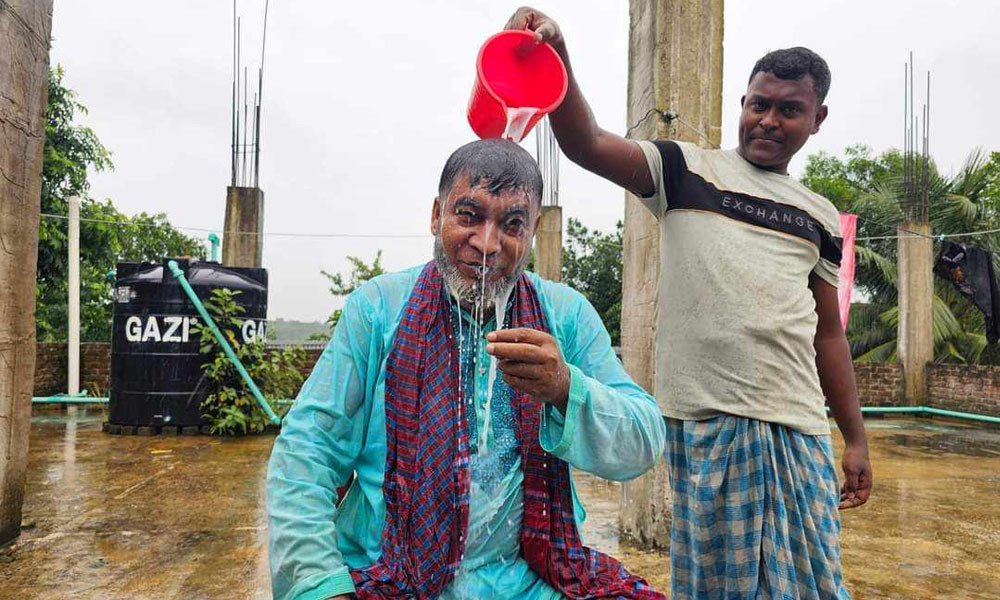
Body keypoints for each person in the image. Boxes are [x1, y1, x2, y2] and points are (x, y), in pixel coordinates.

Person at [502, 7, 873, 600]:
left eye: (789, 110)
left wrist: (854, 438)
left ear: (817, 118)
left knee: (812, 586)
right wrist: (560, 56)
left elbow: (828, 336)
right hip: (708, 424)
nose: (768, 120)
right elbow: (585, 143)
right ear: (743, 103)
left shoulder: (820, 216)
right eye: (758, 103)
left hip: (799, 428)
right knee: (717, 588)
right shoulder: (683, 168)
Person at [267, 139, 668, 600]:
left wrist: (564, 388)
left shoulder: (567, 316)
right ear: (437, 215)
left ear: (533, 231)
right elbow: (306, 453)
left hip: (530, 579)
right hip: (388, 572)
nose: (487, 243)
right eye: (469, 215)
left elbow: (644, 440)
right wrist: (320, 582)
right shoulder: (377, 311)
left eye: (512, 224)